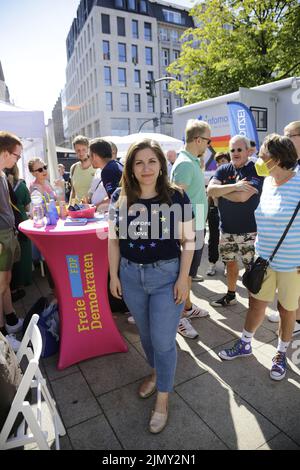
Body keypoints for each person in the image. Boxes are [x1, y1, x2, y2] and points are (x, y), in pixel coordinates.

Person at [108, 138, 194, 433]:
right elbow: (113, 240)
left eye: (151, 161)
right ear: (131, 168)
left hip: (166, 277)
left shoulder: (176, 196)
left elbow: (190, 241)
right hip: (131, 276)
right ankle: (157, 373)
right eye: (139, 162)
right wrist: (114, 275)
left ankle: (163, 399)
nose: (145, 168)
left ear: (161, 165)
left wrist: (184, 278)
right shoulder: (120, 197)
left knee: (162, 340)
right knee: (145, 336)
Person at [219, 134, 300, 381]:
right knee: (256, 304)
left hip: (292, 265)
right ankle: (245, 344)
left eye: (263, 155)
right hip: (264, 260)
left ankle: (281, 353)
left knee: (287, 310)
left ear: (277, 158)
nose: (258, 159)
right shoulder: (267, 183)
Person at [207, 135, 264, 307]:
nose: (236, 153)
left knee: (251, 270)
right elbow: (210, 190)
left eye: (240, 149)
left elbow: (242, 197)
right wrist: (235, 186)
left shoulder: (255, 169)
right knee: (230, 264)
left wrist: (221, 191)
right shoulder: (224, 169)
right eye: (232, 150)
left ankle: (254, 302)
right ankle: (230, 296)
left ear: (248, 151)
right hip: (227, 230)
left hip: (250, 231)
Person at [170, 119, 210, 339]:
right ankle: (178, 319)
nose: (208, 144)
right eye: (207, 140)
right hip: (189, 229)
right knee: (183, 275)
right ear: (198, 139)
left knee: (190, 274)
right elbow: (176, 200)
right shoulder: (185, 163)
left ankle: (187, 308)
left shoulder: (191, 160)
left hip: (196, 226)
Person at [0, 131, 23, 352]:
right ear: (6, 152)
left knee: (5, 283)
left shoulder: (1, 174)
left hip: (7, 233)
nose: (17, 160)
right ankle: (3, 337)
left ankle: (11, 320)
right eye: (16, 155)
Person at [5, 164, 32, 298]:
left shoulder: (4, 183)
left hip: (7, 223)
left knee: (10, 257)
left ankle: (12, 287)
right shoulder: (21, 186)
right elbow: (28, 206)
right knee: (24, 251)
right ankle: (24, 281)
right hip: (20, 219)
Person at [206, 152, 231, 276]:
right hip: (214, 211)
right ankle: (212, 264)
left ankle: (227, 265)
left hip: (228, 213)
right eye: (219, 162)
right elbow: (210, 196)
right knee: (213, 239)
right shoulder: (214, 178)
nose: (221, 164)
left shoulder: (232, 178)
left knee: (226, 240)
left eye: (224, 161)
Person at [69, 135, 95, 203]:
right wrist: (71, 206)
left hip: (93, 208)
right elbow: (73, 192)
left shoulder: (96, 166)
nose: (81, 153)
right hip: (77, 209)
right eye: (78, 150)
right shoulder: (73, 168)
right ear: (75, 151)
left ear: (88, 149)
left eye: (84, 149)